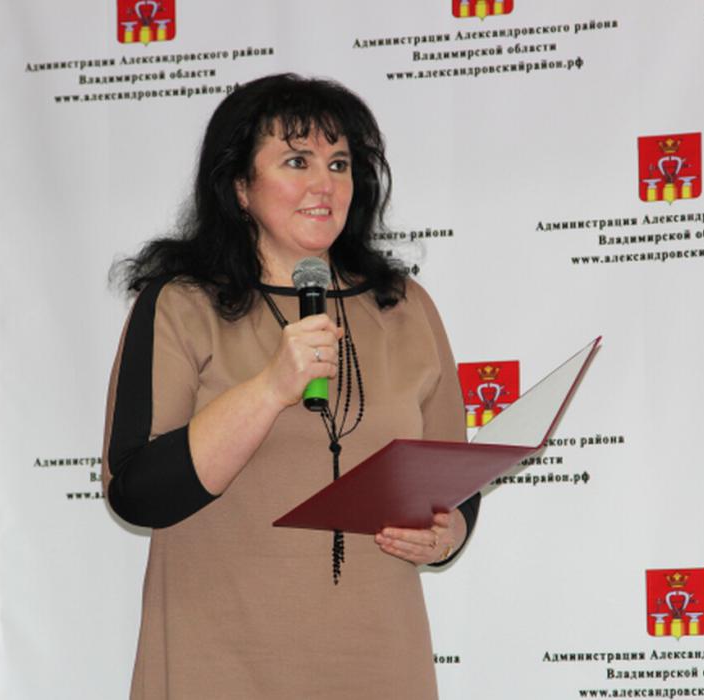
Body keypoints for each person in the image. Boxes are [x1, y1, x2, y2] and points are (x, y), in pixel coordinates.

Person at [103, 73, 480, 700]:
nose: (324, 184)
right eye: (297, 161)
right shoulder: (181, 304)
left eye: (339, 164)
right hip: (219, 664)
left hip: (379, 661)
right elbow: (136, 491)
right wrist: (269, 389)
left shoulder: (404, 306)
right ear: (239, 187)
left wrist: (446, 534)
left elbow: (452, 482)